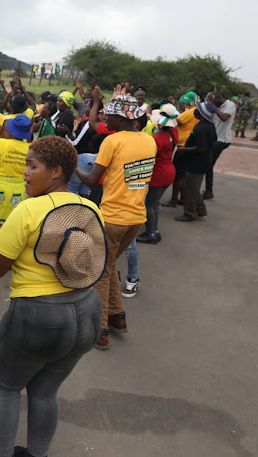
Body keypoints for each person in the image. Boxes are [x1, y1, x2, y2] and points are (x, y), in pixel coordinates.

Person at [0, 136, 105, 457]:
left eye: (32, 166)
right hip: (87, 312)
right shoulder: (90, 207)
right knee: (45, 391)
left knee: (5, 387)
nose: (25, 172)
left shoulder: (28, 210)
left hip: (38, 317)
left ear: (55, 173)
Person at [75, 92, 156, 350]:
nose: (103, 118)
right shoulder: (148, 141)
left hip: (112, 218)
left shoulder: (112, 142)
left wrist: (70, 163)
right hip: (136, 219)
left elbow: (90, 179)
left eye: (107, 114)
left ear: (121, 117)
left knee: (99, 271)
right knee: (108, 266)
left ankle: (100, 331)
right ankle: (118, 317)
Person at [0, 114, 32, 241]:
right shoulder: (30, 148)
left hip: (0, 189)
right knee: (16, 216)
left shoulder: (1, 143)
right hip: (21, 189)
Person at [137, 105, 179, 244]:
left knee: (150, 205)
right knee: (153, 204)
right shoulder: (173, 133)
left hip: (158, 173)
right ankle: (154, 231)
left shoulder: (159, 137)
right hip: (169, 170)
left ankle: (151, 234)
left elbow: (149, 155)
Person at [174, 101, 217, 222]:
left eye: (198, 110)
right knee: (194, 187)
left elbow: (201, 147)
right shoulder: (208, 124)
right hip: (200, 161)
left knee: (190, 189)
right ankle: (201, 210)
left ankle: (189, 214)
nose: (195, 112)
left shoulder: (203, 127)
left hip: (197, 162)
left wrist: (184, 149)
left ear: (203, 113)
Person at [165, 91, 199, 207]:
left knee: (178, 173)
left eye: (181, 103)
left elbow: (178, 121)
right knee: (182, 173)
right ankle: (183, 198)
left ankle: (174, 199)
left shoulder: (191, 111)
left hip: (183, 145)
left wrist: (165, 117)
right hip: (186, 144)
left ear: (186, 102)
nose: (180, 105)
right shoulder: (193, 111)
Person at [203, 91, 236, 200]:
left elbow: (224, 117)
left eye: (213, 101)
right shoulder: (214, 105)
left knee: (208, 164)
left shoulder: (230, 105)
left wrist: (213, 106)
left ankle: (209, 191)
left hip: (222, 140)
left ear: (218, 98)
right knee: (208, 164)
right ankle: (208, 190)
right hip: (214, 139)